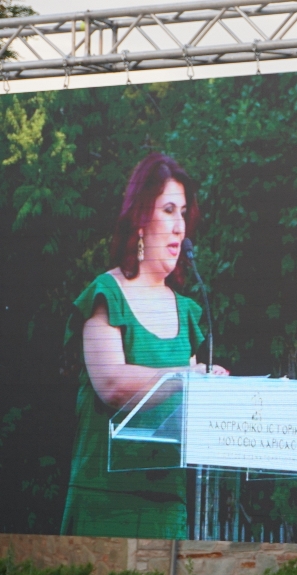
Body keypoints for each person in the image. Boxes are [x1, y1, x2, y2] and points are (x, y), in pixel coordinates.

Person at [61, 153, 227, 539]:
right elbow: (112, 384)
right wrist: (185, 377)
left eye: (183, 213)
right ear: (139, 218)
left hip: (165, 507)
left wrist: (217, 391)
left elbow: (185, 409)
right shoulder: (106, 293)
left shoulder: (187, 311)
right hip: (104, 503)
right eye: (168, 210)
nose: (179, 227)